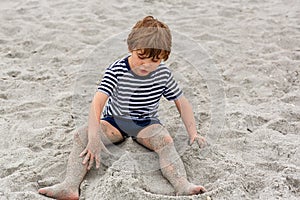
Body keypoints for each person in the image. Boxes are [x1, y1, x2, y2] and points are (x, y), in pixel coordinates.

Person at [38, 16, 207, 200]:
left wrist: (193, 132)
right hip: (114, 122)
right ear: (131, 48)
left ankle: (182, 185)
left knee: (165, 141)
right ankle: (69, 186)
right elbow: (97, 103)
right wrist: (94, 138)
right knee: (81, 135)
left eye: (155, 60)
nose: (146, 65)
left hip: (145, 123)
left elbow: (181, 103)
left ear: (164, 57)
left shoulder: (163, 74)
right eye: (141, 57)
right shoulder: (117, 69)